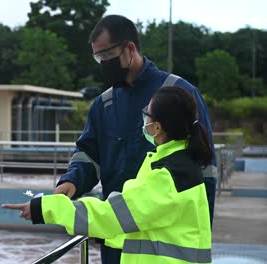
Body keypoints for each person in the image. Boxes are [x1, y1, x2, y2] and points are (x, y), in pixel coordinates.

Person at [47, 14, 216, 263]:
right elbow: (88, 154)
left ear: (129, 49)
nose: (103, 63)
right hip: (115, 231)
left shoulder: (177, 93)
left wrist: (201, 236)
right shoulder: (103, 104)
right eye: (98, 58)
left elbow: (205, 171)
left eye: (106, 56)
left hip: (164, 244)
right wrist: (72, 181)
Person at [3, 86, 213, 264]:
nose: (144, 120)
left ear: (157, 127)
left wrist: (45, 208)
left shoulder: (168, 175)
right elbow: (138, 220)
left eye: (146, 115)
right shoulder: (178, 163)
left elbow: (111, 216)